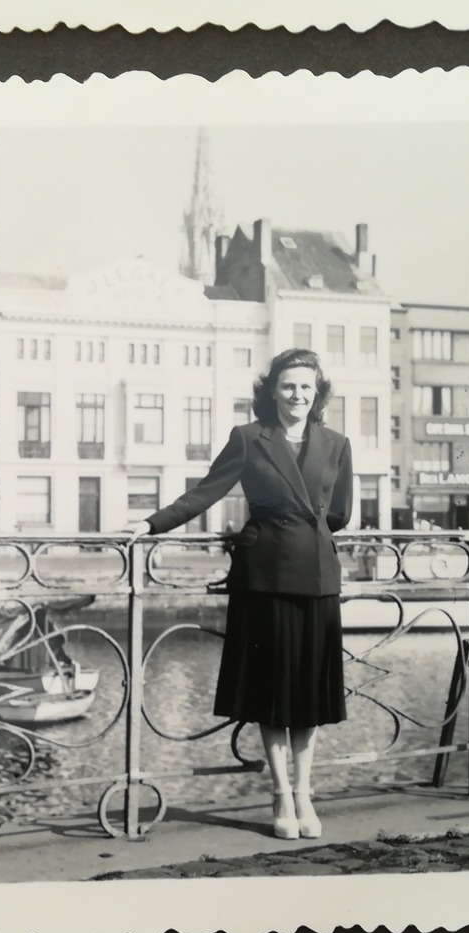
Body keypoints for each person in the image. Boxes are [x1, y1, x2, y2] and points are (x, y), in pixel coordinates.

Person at [123, 347, 353, 840]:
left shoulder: (336, 443)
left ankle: (306, 793)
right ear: (272, 391)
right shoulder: (249, 439)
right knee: (273, 694)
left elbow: (340, 514)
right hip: (266, 576)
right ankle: (282, 795)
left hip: (316, 577)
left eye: (306, 387)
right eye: (288, 386)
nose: (297, 395)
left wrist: (305, 532)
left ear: (317, 395)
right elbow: (205, 492)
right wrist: (150, 523)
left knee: (309, 697)